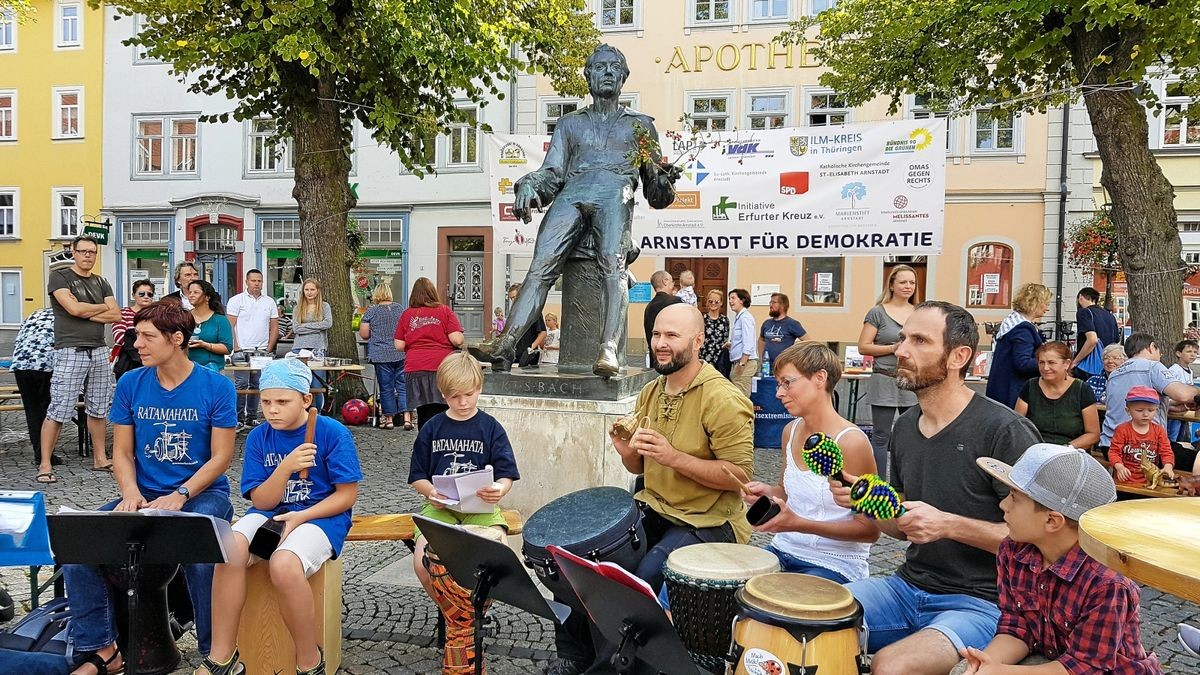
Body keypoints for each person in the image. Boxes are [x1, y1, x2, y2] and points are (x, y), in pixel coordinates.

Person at [830, 301, 1042, 675]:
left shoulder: (1004, 431)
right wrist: (870, 503)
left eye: (919, 341)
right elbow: (901, 525)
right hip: (906, 587)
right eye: (901, 339)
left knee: (892, 666)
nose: (900, 350)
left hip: (984, 601)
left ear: (958, 356)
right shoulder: (906, 426)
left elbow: (1042, 541)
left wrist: (949, 525)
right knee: (806, 615)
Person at [469, 44, 680, 376]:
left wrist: (664, 179)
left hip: (616, 189)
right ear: (588, 77)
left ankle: (608, 349)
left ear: (624, 78)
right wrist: (529, 183)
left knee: (613, 264)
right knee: (539, 268)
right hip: (573, 191)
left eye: (614, 68)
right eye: (600, 67)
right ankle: (506, 343)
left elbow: (657, 195)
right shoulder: (569, 125)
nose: (607, 72)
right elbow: (552, 174)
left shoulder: (640, 127)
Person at [63, 302, 236, 675]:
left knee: (201, 548)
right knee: (77, 544)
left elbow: (221, 458)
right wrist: (129, 492)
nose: (135, 344)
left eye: (146, 336)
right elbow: (121, 452)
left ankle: (214, 654)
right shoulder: (130, 383)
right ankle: (103, 649)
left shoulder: (216, 387)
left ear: (177, 340)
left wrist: (181, 495)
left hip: (203, 495)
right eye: (135, 335)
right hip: (142, 496)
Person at [199, 359, 362, 675]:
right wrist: (285, 467)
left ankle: (308, 659)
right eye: (266, 401)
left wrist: (300, 518)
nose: (272, 410)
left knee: (284, 564)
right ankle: (222, 654)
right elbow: (261, 500)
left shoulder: (332, 432)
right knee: (228, 550)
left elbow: (346, 496)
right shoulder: (260, 437)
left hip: (321, 515)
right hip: (270, 512)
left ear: (305, 399)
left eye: (282, 402)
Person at [960, 444, 1161, 674]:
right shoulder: (1013, 551)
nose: (1003, 505)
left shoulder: (1107, 583)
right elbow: (1017, 624)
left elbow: (1085, 666)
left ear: (1052, 521)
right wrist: (986, 662)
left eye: (1014, 497)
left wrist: (1002, 672)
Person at [742, 341, 878, 583]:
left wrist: (798, 524)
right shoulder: (790, 432)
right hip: (784, 550)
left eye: (787, 382)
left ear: (820, 378)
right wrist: (769, 493)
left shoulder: (851, 442)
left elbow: (869, 530)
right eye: (778, 384)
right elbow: (787, 493)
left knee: (775, 606)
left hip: (834, 563)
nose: (779, 393)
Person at [407, 352, 519, 618]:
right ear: (443, 394)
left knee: (497, 555)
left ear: (479, 388)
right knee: (423, 565)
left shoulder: (491, 428)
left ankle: (477, 609)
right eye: (454, 396)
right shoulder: (433, 428)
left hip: (480, 509)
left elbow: (507, 475)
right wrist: (431, 492)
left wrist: (499, 490)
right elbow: (417, 476)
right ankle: (459, 617)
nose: (463, 402)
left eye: (469, 394)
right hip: (439, 509)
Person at [40, 236, 123, 482]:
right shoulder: (61, 277)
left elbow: (116, 313)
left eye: (92, 252)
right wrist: (95, 308)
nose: (88, 255)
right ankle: (45, 464)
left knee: (98, 407)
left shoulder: (101, 281)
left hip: (98, 349)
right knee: (60, 408)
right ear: (73, 253)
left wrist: (84, 309)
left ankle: (100, 458)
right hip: (70, 350)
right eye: (83, 251)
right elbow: (73, 310)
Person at [1101, 333, 1200, 471]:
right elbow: (1182, 394)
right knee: (1197, 460)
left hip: (1109, 446)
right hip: (1141, 448)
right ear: (1152, 347)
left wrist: (1169, 406)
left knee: (1185, 446)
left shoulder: (1114, 374)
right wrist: (1196, 392)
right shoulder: (1152, 367)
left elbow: (1132, 405)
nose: (1160, 356)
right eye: (1159, 351)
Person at [858, 265, 919, 475]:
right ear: (892, 285)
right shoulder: (878, 312)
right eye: (903, 282)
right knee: (881, 436)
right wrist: (893, 348)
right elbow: (863, 346)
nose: (908, 286)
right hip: (884, 379)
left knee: (912, 434)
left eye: (912, 282)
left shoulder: (919, 312)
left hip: (911, 381)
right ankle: (879, 485)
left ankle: (906, 481)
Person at [395, 277, 466, 429]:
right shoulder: (445, 311)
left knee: (423, 410)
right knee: (444, 408)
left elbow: (399, 345)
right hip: (442, 368)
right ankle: (442, 441)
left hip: (415, 368)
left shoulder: (407, 314)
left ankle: (425, 442)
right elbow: (457, 340)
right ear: (433, 293)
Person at [1014, 342, 1100, 449]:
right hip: (1036, 451)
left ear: (1067, 364)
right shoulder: (1030, 387)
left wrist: (1065, 448)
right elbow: (1017, 426)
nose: (1045, 368)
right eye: (1041, 362)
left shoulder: (1082, 390)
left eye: (1051, 363)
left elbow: (1093, 434)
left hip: (1070, 453)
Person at [226, 269, 280, 428]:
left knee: (257, 385)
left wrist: (269, 348)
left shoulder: (269, 302)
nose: (257, 284)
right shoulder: (237, 300)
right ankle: (238, 418)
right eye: (253, 280)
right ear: (246, 282)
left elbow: (274, 327)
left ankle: (251, 417)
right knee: (241, 385)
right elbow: (230, 326)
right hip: (242, 350)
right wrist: (235, 347)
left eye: (259, 281)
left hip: (262, 350)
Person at [985, 282, 1051, 408]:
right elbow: (1023, 363)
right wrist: (1050, 363)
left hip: (1002, 389)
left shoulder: (1012, 322)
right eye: (1046, 303)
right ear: (1034, 302)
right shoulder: (1023, 329)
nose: (1047, 308)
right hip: (1013, 393)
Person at [359, 284, 411, 430]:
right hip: (400, 352)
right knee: (403, 386)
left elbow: (364, 334)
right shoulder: (400, 309)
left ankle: (389, 419)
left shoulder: (372, 311)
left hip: (381, 354)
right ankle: (407, 418)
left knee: (386, 387)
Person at [11, 307, 58, 466]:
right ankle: (46, 454)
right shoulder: (66, 316)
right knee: (49, 410)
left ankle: (40, 453)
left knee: (32, 410)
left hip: (21, 364)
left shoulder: (35, 313)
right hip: (45, 365)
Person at [1109, 386, 1176, 485]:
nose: (1145, 414)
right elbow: (1114, 452)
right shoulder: (1122, 430)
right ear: (1128, 411)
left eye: (1151, 410)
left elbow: (1166, 451)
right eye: (1139, 410)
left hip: (1150, 480)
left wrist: (1168, 466)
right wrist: (1119, 467)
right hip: (1125, 479)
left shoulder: (1159, 431)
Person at [292, 278, 333, 410]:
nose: (309, 292)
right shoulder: (298, 307)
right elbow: (296, 328)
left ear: (317, 291)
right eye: (307, 289)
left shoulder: (324, 306)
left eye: (312, 289)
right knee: (300, 381)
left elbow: (327, 323)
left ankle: (318, 412)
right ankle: (300, 411)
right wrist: (317, 326)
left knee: (317, 384)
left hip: (318, 347)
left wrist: (306, 326)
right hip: (299, 348)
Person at [1070, 287, 1121, 379]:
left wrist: (1075, 361)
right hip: (1107, 366)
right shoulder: (1110, 316)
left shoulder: (1084, 312)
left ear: (1080, 297)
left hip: (1088, 366)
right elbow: (1116, 342)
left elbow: (1092, 340)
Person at [111, 279, 156, 381]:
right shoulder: (122, 313)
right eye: (141, 293)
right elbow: (119, 338)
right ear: (133, 295)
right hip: (129, 360)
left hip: (153, 359)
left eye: (150, 294)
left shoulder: (157, 315)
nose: (146, 296)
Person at [187, 279, 234, 372]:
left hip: (213, 371)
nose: (191, 295)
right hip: (187, 370)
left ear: (207, 297)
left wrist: (205, 345)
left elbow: (227, 348)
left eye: (196, 292)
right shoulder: (183, 317)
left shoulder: (220, 320)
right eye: (190, 292)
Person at [757, 292, 807, 368]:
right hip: (767, 365)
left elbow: (808, 341)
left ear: (783, 305)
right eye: (770, 302)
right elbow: (761, 340)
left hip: (784, 366)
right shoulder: (766, 323)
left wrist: (797, 355)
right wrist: (761, 358)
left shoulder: (792, 324)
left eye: (774, 302)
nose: (770, 305)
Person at [643, 271, 682, 363]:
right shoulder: (675, 302)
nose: (673, 284)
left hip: (655, 356)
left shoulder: (649, 307)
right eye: (672, 281)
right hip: (672, 356)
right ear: (665, 281)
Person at [505, 283, 546, 368]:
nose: (513, 301)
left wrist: (531, 348)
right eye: (511, 298)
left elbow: (543, 332)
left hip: (528, 356)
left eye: (515, 297)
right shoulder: (513, 313)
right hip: (515, 355)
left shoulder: (534, 310)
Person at [728, 288, 759, 396]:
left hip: (745, 363)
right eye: (729, 298)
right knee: (737, 397)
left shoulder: (745, 318)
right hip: (739, 362)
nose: (730, 301)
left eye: (733, 298)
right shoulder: (739, 317)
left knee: (742, 397)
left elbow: (749, 343)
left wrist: (741, 364)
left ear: (742, 300)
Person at [1166, 339, 1197, 442]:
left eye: (1195, 352)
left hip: (1184, 411)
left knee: (1181, 437)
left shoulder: (1190, 371)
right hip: (1173, 412)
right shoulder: (1174, 370)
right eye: (1189, 352)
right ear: (1179, 353)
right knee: (1172, 437)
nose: (1192, 354)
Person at [700, 288, 731, 378]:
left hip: (720, 359)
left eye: (716, 302)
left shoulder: (724, 320)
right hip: (705, 357)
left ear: (721, 303)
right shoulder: (703, 319)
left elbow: (725, 338)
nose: (713, 304)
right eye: (710, 301)